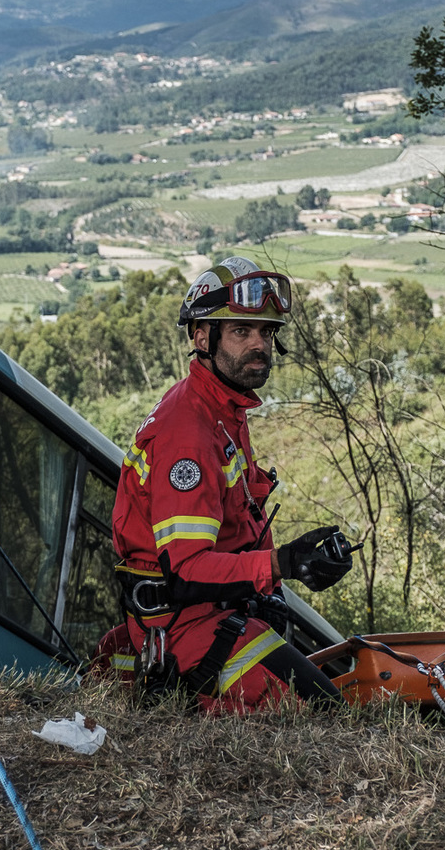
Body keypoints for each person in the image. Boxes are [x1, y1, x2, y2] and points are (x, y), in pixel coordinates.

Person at [111, 257, 352, 710]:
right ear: (202, 337)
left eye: (266, 332)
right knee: (322, 710)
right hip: (185, 625)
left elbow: (241, 519)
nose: (259, 344)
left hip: (220, 610)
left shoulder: (223, 410)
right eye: (242, 331)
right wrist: (282, 563)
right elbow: (184, 571)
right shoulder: (190, 431)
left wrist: (273, 585)